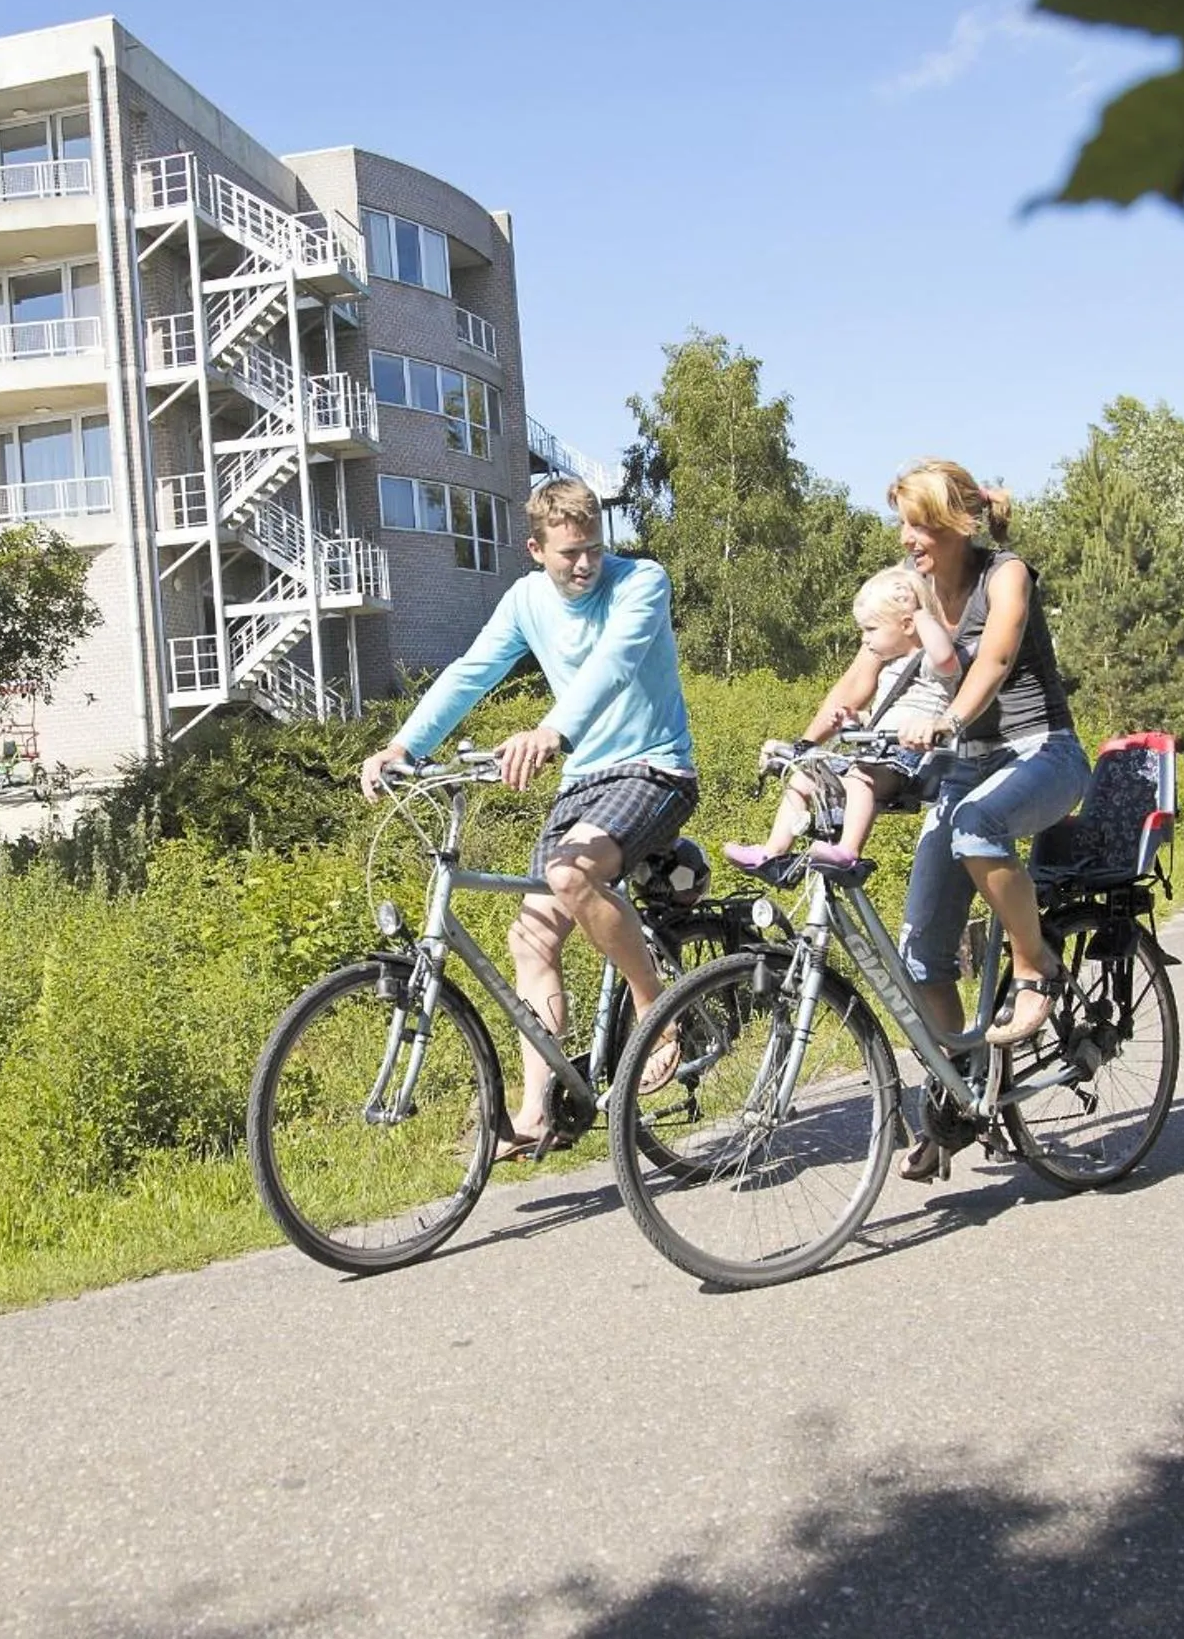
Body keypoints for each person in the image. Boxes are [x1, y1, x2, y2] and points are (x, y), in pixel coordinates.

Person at [731, 458, 1090, 1184]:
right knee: (922, 948)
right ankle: (961, 1095)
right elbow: (861, 674)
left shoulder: (1005, 575)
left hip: (1041, 750)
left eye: (918, 525)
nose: (908, 538)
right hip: (967, 762)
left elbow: (994, 657)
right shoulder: (912, 589)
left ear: (955, 523)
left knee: (976, 825)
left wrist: (947, 721)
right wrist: (806, 746)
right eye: (903, 525)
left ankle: (1035, 968)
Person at [359, 477, 699, 1160]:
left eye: (593, 549)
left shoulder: (642, 582)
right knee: (530, 939)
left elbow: (613, 665)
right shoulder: (525, 599)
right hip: (583, 784)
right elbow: (471, 671)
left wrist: (550, 731)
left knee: (570, 874)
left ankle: (659, 1014)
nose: (585, 565)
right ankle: (537, 1110)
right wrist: (405, 745)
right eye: (570, 552)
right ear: (535, 548)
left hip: (654, 770)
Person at [721, 564, 959, 879]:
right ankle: (774, 853)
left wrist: (921, 614)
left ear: (906, 624)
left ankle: (847, 851)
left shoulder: (928, 662)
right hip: (878, 752)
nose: (865, 640)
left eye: (871, 630)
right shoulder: (891, 667)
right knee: (803, 778)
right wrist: (856, 718)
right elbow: (883, 713)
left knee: (860, 777)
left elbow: (946, 659)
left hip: (906, 758)